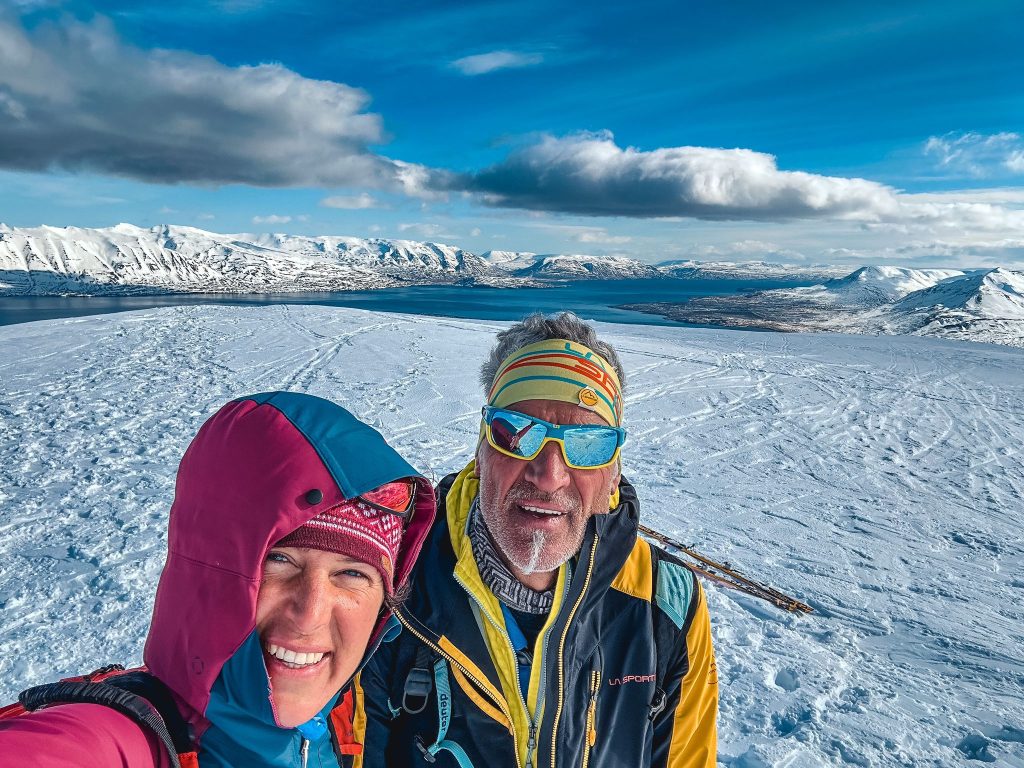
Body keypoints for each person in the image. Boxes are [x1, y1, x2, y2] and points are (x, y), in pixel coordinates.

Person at [355, 313, 718, 768]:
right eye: (516, 433)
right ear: (481, 449)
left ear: (614, 473)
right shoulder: (395, 578)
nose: (549, 476)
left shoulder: (665, 605)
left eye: (588, 443)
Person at [0, 391, 435, 768]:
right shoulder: (121, 741)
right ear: (205, 572)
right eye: (279, 561)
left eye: (352, 572)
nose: (310, 615)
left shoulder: (344, 714)